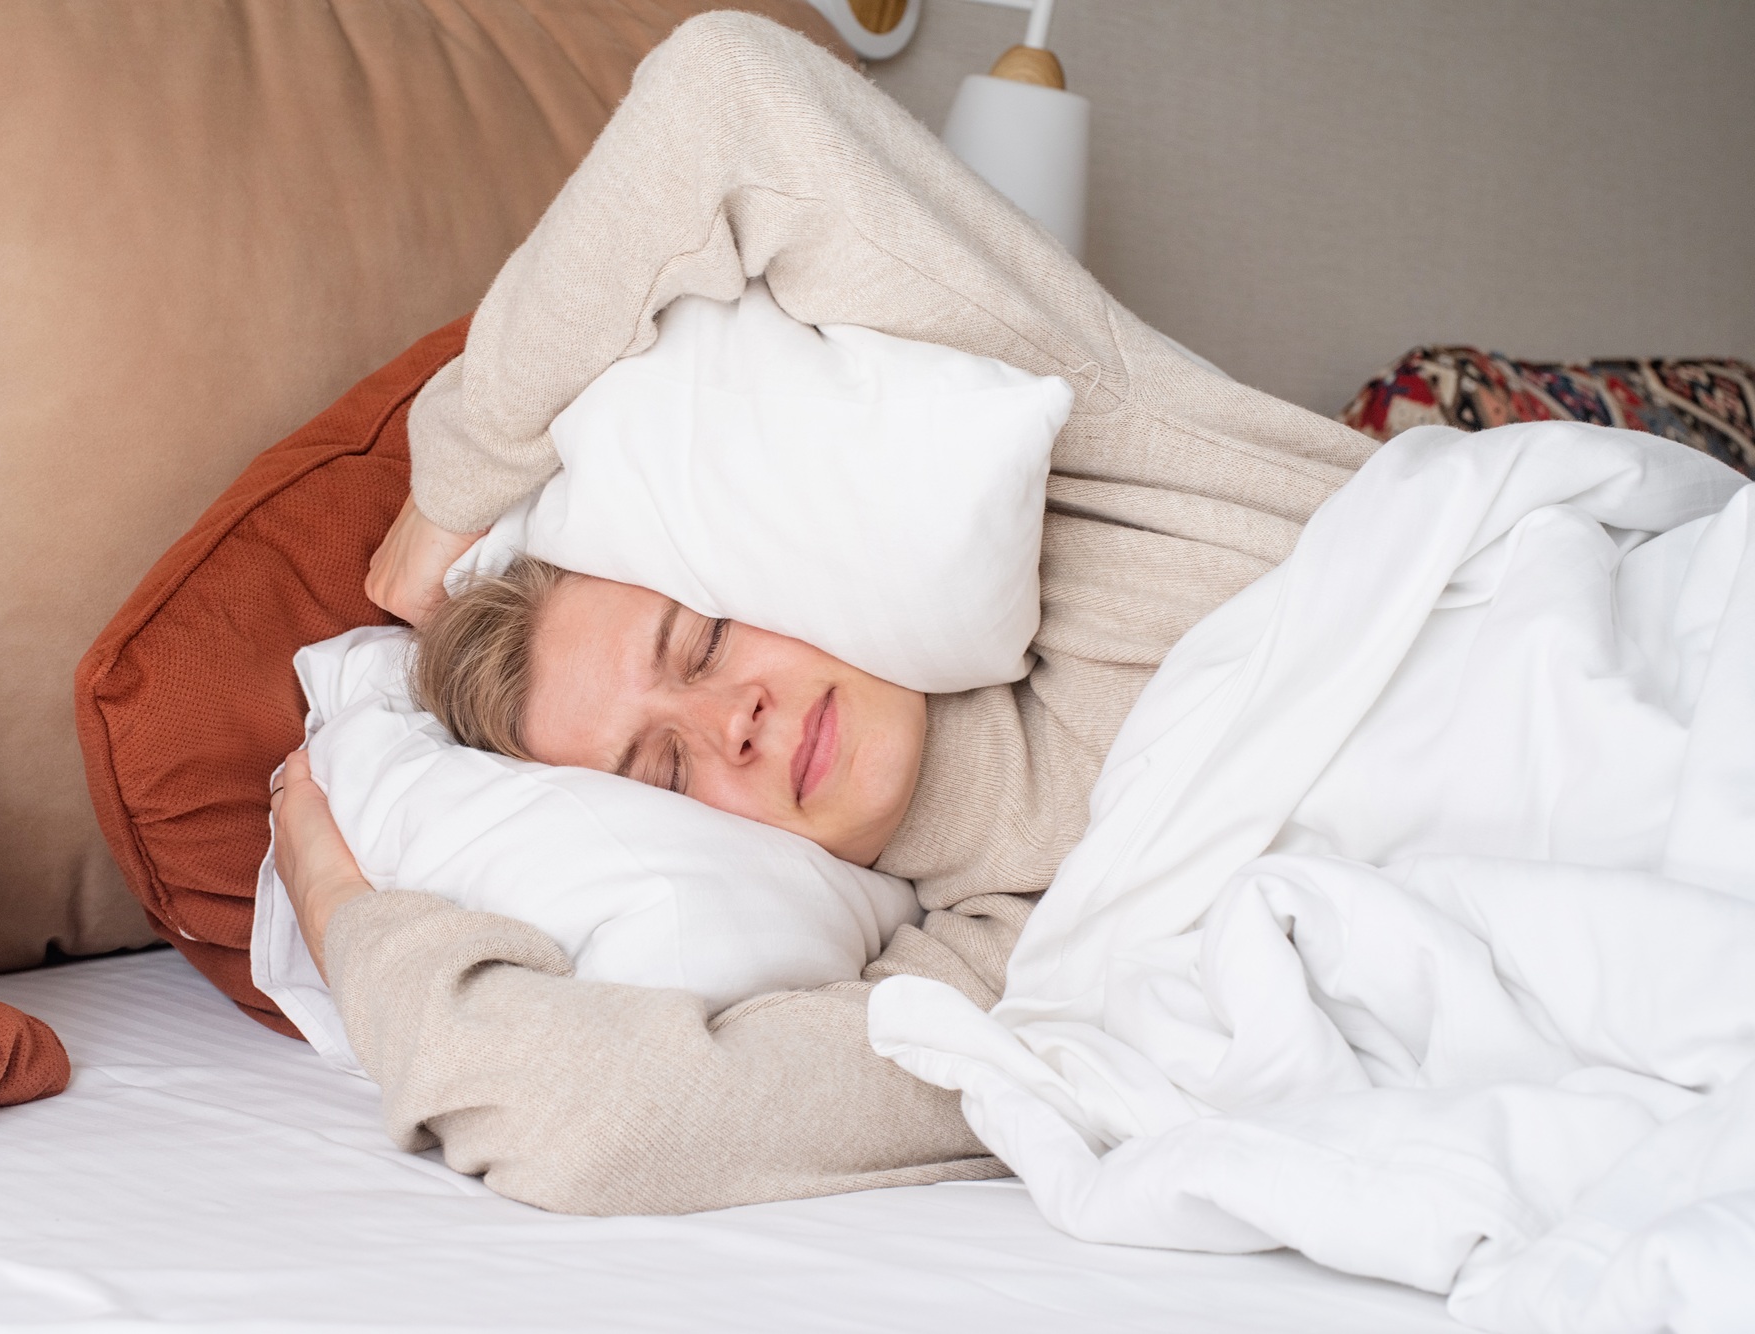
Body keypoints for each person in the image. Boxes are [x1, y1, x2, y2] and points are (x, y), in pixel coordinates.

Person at [266, 11, 1376, 1215]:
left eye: (700, 641)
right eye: (666, 772)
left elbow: (724, 97)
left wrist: (456, 475)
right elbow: (596, 1119)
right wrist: (340, 906)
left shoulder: (1111, 472)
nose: (728, 722)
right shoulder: (996, 976)